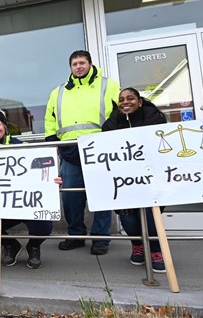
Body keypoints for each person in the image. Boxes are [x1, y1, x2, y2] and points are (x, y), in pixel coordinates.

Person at [44, 50, 120, 255]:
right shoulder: (58, 91)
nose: (78, 67)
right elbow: (50, 120)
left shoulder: (108, 85)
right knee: (70, 198)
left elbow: (118, 112)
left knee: (101, 196)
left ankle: (100, 238)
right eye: (75, 64)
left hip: (100, 151)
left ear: (90, 64)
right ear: (70, 67)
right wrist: (55, 143)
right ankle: (76, 235)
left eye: (82, 63)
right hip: (70, 151)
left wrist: (107, 138)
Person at [0, 109, 53, 268]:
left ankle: (34, 246)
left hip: (24, 202)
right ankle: (10, 245)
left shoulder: (20, 146)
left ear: (5, 127)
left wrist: (51, 179)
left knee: (44, 225)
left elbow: (38, 168)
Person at [102, 87, 167, 273]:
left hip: (151, 179)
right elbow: (105, 138)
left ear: (139, 101)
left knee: (150, 216)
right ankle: (137, 245)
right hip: (125, 181)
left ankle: (156, 250)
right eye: (121, 99)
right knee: (128, 220)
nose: (125, 102)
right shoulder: (114, 119)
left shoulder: (153, 116)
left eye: (130, 98)